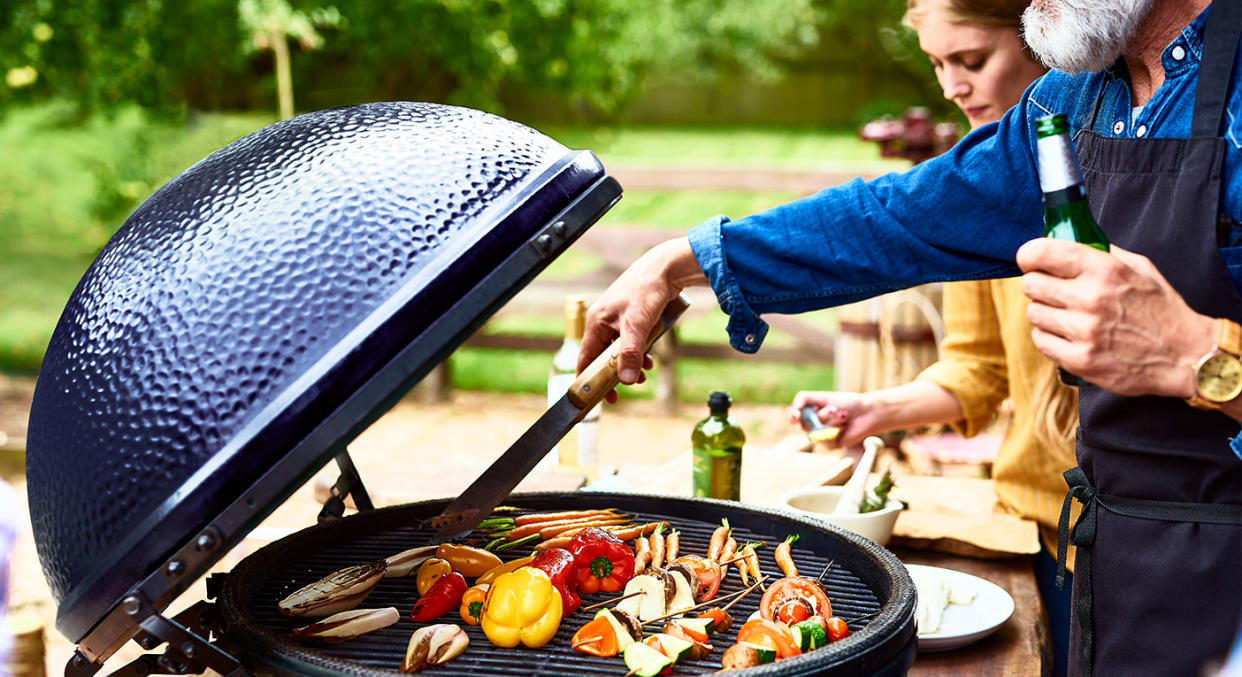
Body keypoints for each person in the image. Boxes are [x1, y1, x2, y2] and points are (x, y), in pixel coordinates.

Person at [579, 1, 1242, 675]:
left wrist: (1198, 354)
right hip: (1119, 572)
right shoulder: (1077, 99)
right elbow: (899, 217)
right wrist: (683, 261)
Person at [788, 1, 1075, 673]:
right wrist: (875, 410)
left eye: (971, 61)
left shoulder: (1106, 170)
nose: (951, 87)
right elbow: (976, 366)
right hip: (1027, 527)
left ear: (1045, 37)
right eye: (938, 64)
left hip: (1133, 535)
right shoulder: (977, 192)